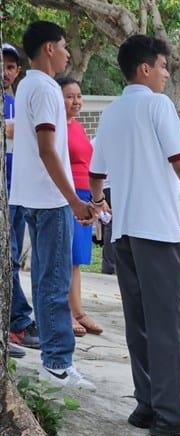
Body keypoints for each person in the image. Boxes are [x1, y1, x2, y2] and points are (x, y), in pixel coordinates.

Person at [89, 34, 180, 436]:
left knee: (139, 322)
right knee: (169, 325)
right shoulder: (158, 105)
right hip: (158, 230)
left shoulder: (110, 113)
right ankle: (172, 415)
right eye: (163, 66)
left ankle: (146, 404)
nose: (165, 73)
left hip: (123, 230)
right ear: (145, 68)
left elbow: (96, 174)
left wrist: (98, 203)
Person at [11, 21, 98, 389]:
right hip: (49, 200)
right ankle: (58, 361)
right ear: (48, 48)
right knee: (54, 280)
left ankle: (54, 356)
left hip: (28, 195)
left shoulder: (26, 84)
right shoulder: (46, 89)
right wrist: (74, 200)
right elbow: (48, 150)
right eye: (62, 46)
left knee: (47, 278)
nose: (66, 53)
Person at [58, 77, 103, 337]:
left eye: (78, 96)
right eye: (69, 96)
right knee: (63, 254)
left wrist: (97, 198)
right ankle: (64, 311)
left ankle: (79, 310)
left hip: (85, 192)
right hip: (67, 194)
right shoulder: (55, 128)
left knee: (76, 257)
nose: (76, 101)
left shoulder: (78, 127)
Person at [3, 42, 40, 357]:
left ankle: (16, 323)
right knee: (8, 256)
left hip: (17, 189)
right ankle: (17, 321)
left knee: (12, 257)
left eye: (11, 66)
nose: (5, 71)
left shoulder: (16, 100)